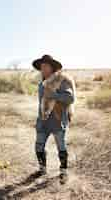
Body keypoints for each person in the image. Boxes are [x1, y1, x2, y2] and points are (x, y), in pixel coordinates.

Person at [32, 55, 76, 184]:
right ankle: (42, 169)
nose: (43, 68)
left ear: (52, 68)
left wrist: (54, 95)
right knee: (38, 146)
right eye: (41, 66)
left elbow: (70, 98)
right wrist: (39, 118)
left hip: (57, 119)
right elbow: (41, 103)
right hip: (43, 120)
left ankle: (63, 172)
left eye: (46, 66)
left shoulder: (62, 80)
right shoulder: (42, 83)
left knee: (61, 147)